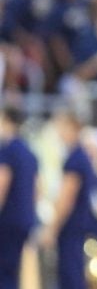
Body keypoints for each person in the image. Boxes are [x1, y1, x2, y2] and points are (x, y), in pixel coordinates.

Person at [41, 109, 97, 289]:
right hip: (77, 225)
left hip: (72, 227)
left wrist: (52, 228)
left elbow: (67, 197)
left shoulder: (75, 159)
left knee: (70, 276)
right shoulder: (79, 156)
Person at [0, 106, 38, 289]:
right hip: (24, 217)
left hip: (8, 219)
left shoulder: (7, 150)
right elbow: (38, 187)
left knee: (4, 272)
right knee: (14, 270)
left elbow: (2, 183)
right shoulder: (28, 151)